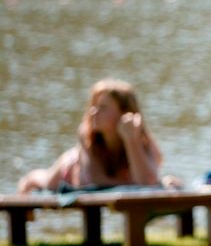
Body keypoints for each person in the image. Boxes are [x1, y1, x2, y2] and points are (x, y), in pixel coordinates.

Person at [17, 79, 165, 193]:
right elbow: (95, 182)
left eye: (103, 108)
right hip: (69, 168)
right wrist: (136, 185)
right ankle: (27, 182)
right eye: (94, 106)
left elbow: (148, 182)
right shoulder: (86, 136)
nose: (94, 112)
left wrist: (131, 140)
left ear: (125, 113)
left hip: (115, 167)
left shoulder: (142, 139)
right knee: (45, 181)